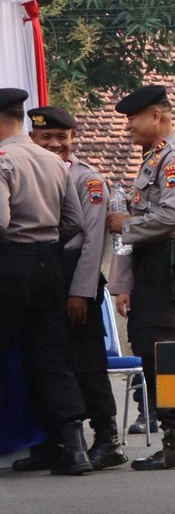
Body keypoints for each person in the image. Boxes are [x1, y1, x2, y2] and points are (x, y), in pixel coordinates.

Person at [107, 84, 175, 471]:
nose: (128, 126)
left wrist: (125, 224)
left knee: (165, 351)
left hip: (170, 261)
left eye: (132, 118)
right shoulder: (155, 159)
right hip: (156, 262)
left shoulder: (174, 158)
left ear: (156, 116)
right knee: (152, 348)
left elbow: (173, 215)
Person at [0, 88, 93, 475]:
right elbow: (73, 221)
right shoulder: (54, 161)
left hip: (10, 264)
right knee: (52, 358)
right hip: (50, 265)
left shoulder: (2, 160)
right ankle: (75, 449)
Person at [27, 105, 123, 470]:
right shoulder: (29, 172)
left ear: (73, 138)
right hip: (44, 274)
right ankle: (57, 442)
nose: (54, 144)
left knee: (86, 361)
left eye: (61, 137)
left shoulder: (88, 180)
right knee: (47, 360)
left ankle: (108, 439)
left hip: (76, 273)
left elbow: (94, 240)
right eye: (46, 137)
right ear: (32, 138)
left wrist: (81, 291)